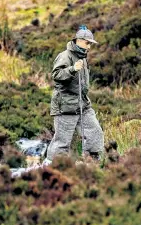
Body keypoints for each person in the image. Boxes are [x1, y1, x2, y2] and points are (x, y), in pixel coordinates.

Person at [43, 25, 104, 164]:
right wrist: (72, 69)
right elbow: (56, 75)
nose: (89, 47)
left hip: (83, 105)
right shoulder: (65, 56)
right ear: (79, 40)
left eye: (90, 44)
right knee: (61, 142)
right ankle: (49, 167)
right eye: (87, 43)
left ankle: (92, 164)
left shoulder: (82, 57)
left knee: (95, 133)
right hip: (66, 106)